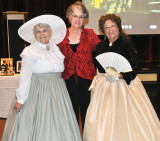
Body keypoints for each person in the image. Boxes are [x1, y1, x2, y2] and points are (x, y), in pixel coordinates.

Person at [2, 15, 82, 141]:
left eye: (44, 30)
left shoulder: (56, 49)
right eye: (38, 31)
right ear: (34, 34)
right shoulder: (30, 51)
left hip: (58, 92)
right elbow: (25, 77)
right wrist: (21, 99)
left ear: (50, 32)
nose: (41, 34)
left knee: (59, 124)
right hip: (39, 92)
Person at [83, 13, 160, 141]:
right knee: (103, 121)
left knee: (125, 120)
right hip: (105, 88)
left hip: (124, 87)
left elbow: (134, 68)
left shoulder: (127, 44)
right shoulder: (100, 47)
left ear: (118, 27)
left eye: (112, 26)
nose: (110, 29)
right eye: (106, 27)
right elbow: (100, 67)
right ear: (103, 30)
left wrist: (121, 75)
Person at [58, 1, 101, 129]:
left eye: (81, 16)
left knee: (87, 113)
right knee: (70, 113)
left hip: (87, 80)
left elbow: (101, 52)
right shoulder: (60, 35)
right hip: (67, 80)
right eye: (75, 16)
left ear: (84, 19)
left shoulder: (90, 34)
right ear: (69, 17)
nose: (77, 19)